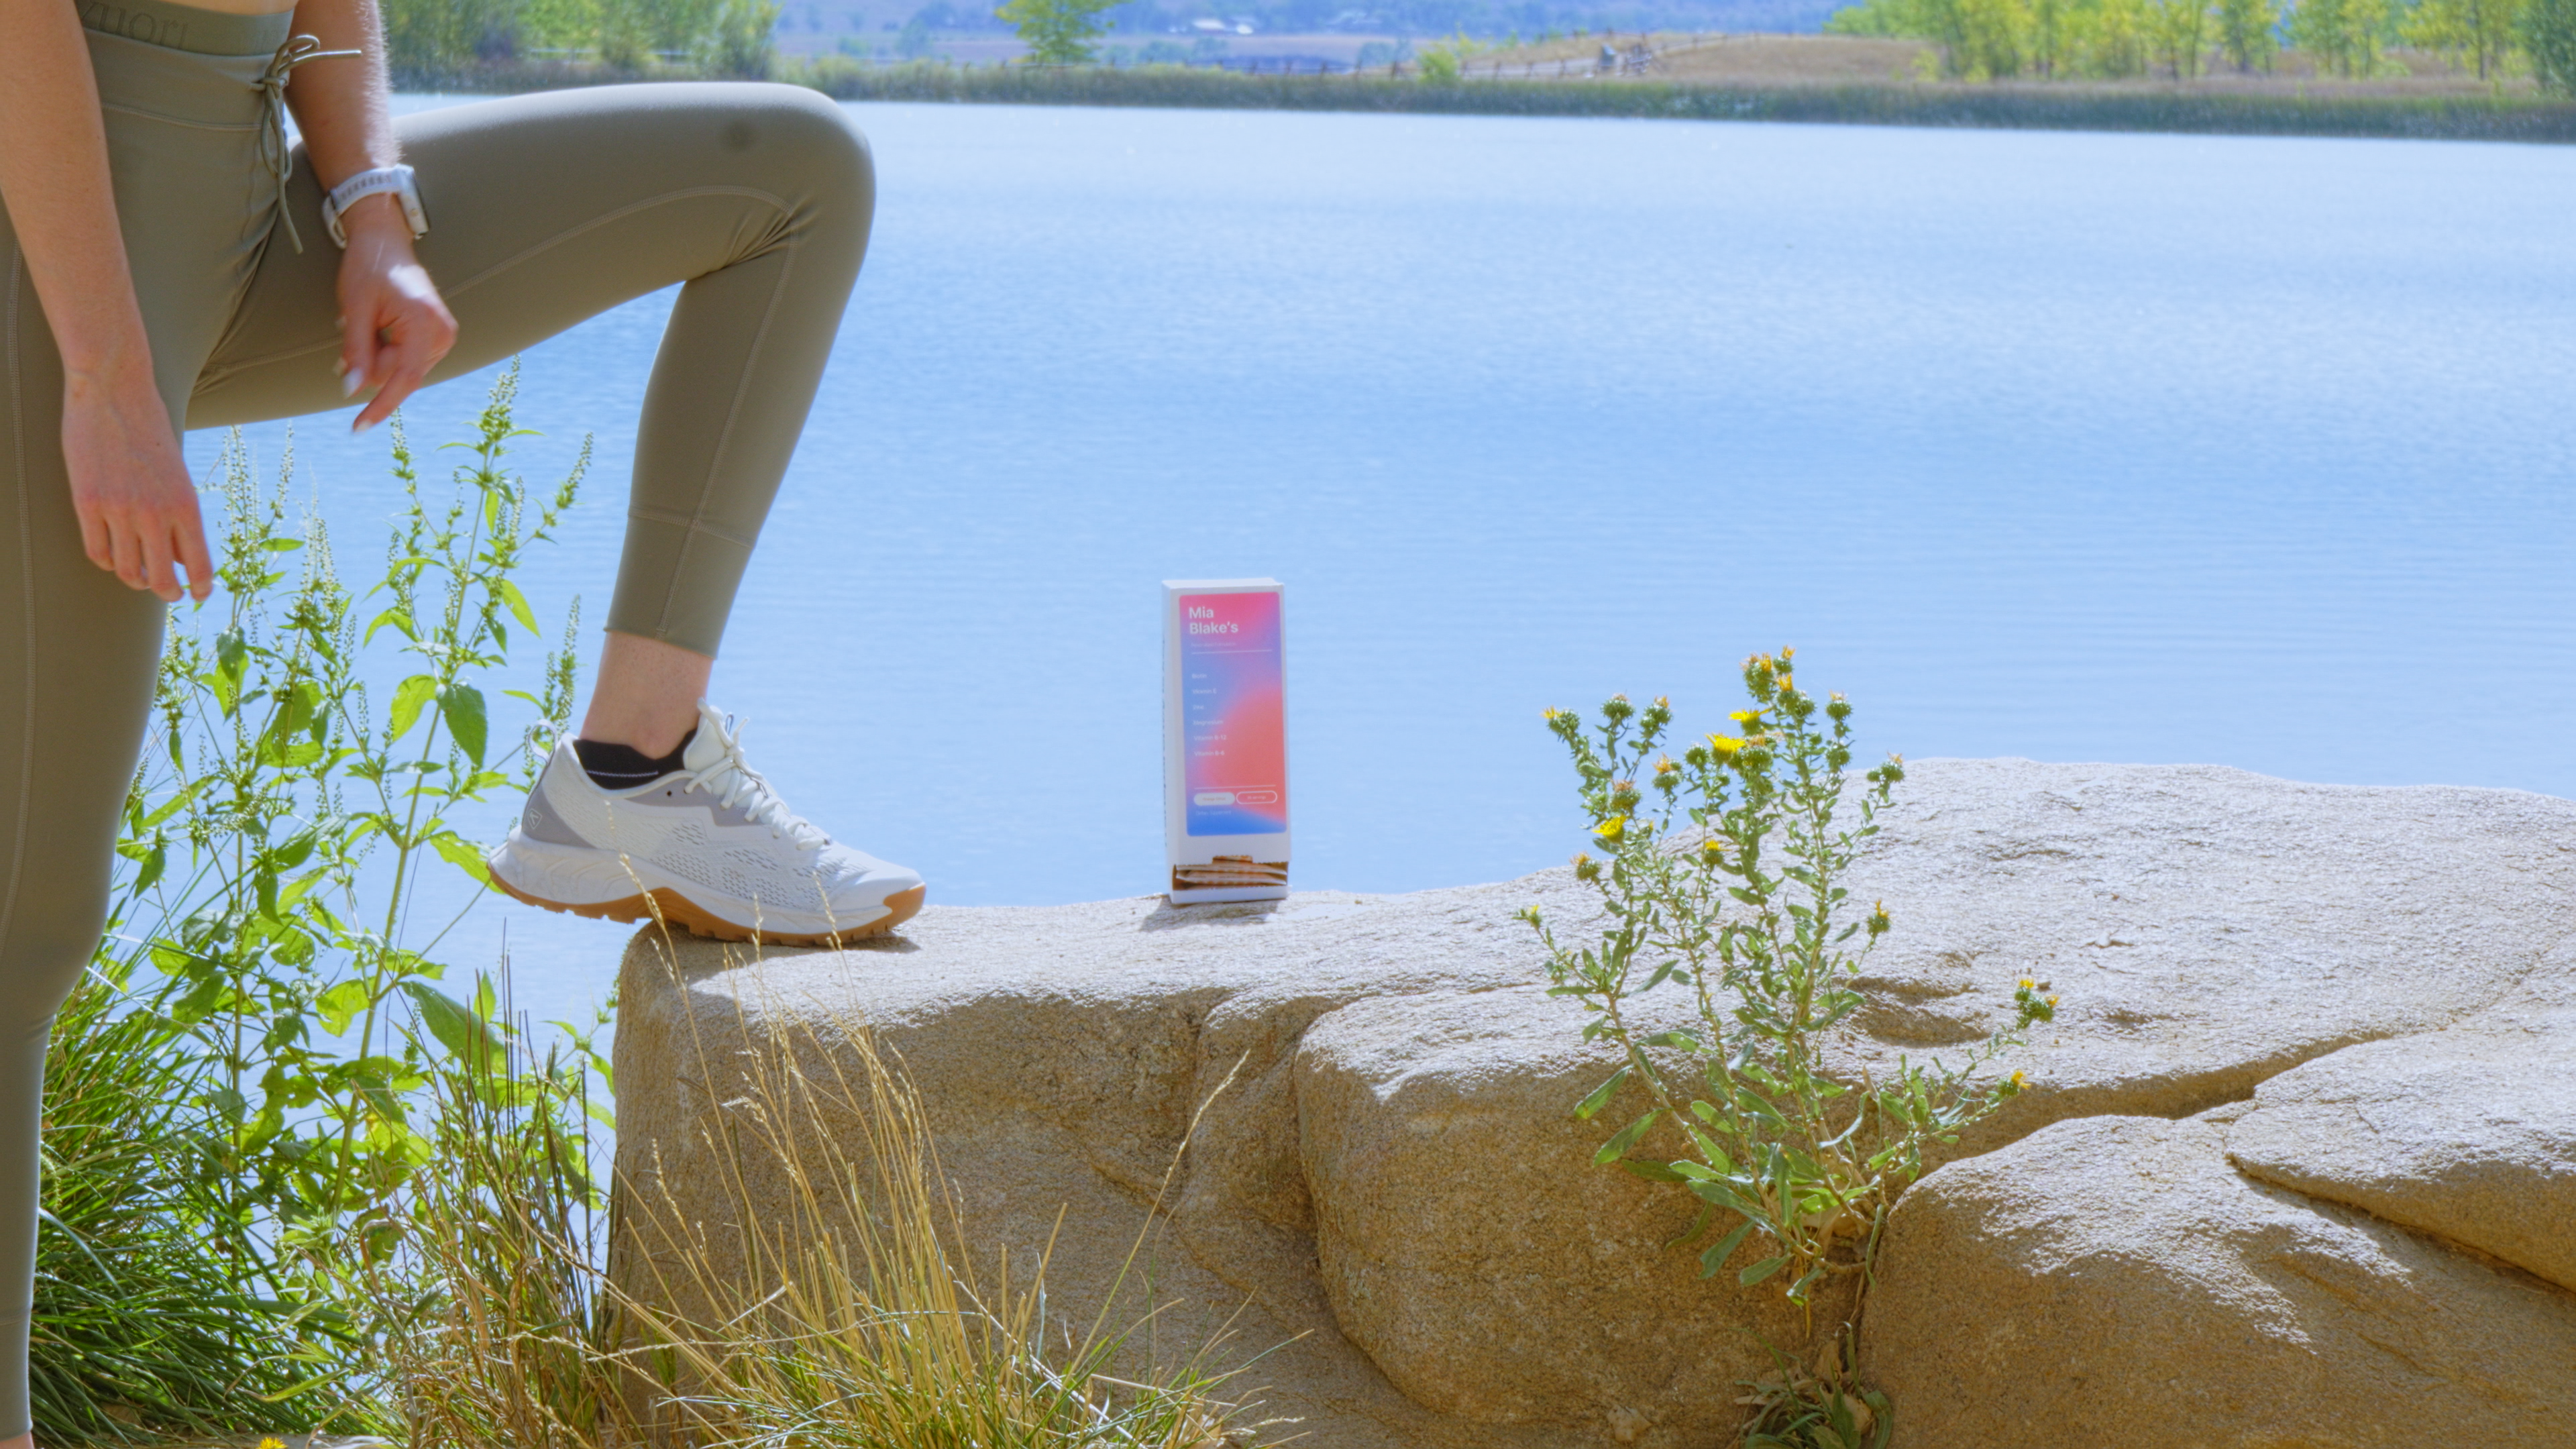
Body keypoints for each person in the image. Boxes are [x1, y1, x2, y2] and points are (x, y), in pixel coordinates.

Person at [0, 0, 925, 1435]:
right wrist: (110, 384)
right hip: (52, 221)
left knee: (791, 171)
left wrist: (371, 201)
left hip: (250, 194)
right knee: (22, 921)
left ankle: (635, 765)